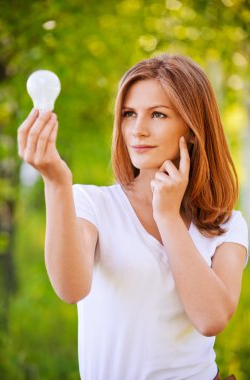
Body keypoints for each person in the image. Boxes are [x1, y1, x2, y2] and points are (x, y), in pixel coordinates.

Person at [18, 54, 248, 380]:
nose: (138, 130)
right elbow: (71, 289)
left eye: (158, 114)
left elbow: (212, 319)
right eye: (129, 114)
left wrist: (168, 217)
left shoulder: (227, 225)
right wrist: (56, 181)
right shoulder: (90, 203)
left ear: (194, 129)